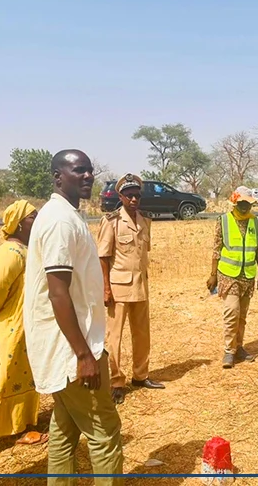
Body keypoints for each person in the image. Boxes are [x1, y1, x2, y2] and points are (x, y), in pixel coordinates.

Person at [23, 149, 125, 486]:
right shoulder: (59, 221)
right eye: (78, 170)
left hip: (70, 342)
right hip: (71, 349)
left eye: (90, 171)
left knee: (64, 430)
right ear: (57, 177)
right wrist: (84, 355)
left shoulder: (66, 215)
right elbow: (57, 292)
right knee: (104, 432)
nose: (87, 176)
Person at [0, 200, 48, 446]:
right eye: (33, 217)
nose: (37, 221)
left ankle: (23, 422)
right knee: (9, 376)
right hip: (11, 326)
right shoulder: (10, 254)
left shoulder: (26, 250)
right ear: (20, 224)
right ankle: (9, 427)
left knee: (24, 374)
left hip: (26, 325)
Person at [98, 173, 164, 405]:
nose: (134, 199)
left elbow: (141, 255)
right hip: (118, 287)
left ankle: (140, 375)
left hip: (140, 286)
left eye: (137, 195)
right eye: (129, 195)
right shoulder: (112, 221)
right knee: (114, 337)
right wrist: (105, 288)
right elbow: (103, 257)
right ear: (121, 196)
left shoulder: (145, 221)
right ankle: (116, 381)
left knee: (142, 333)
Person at [206, 186, 258, 369]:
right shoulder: (223, 220)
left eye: (248, 203)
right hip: (228, 274)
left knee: (242, 314)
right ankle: (229, 351)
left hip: (247, 274)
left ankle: (239, 346)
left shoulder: (254, 222)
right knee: (232, 312)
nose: (244, 207)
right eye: (241, 203)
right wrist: (212, 275)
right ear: (234, 202)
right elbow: (217, 249)